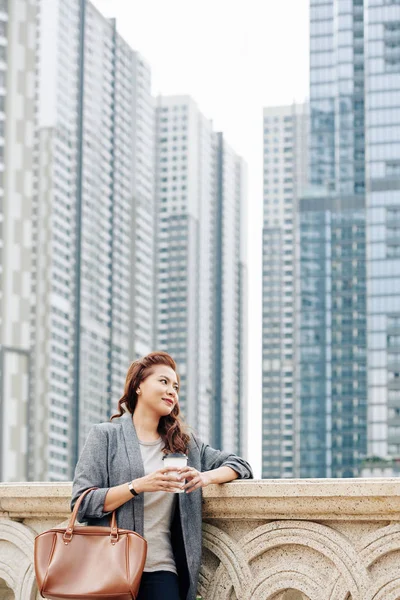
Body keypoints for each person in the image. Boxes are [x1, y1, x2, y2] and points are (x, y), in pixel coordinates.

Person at [71, 351, 253, 600]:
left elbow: (240, 465)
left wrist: (206, 477)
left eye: (176, 386)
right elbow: (82, 502)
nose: (172, 391)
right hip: (109, 566)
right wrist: (138, 485)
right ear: (138, 386)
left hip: (162, 570)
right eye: (163, 382)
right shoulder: (105, 436)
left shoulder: (185, 445)